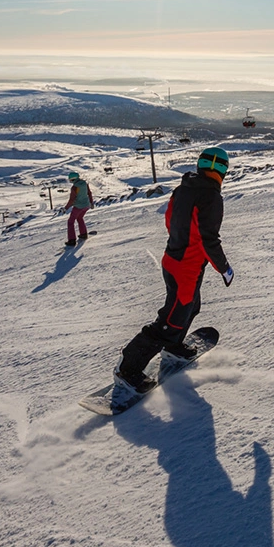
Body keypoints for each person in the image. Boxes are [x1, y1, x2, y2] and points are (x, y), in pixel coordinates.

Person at [113, 147, 234, 393]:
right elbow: (208, 239)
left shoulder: (184, 188)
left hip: (174, 260)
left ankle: (174, 346)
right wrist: (224, 268)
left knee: (190, 307)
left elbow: (170, 218)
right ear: (222, 170)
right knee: (170, 321)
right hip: (185, 268)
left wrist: (182, 241)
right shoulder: (211, 196)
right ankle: (128, 369)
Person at [63, 172, 94, 246]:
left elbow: (72, 200)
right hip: (86, 205)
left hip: (78, 206)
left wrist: (66, 208)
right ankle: (83, 234)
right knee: (80, 218)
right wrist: (91, 203)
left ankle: (72, 240)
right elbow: (89, 193)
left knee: (70, 222)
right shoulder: (84, 183)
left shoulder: (75, 187)